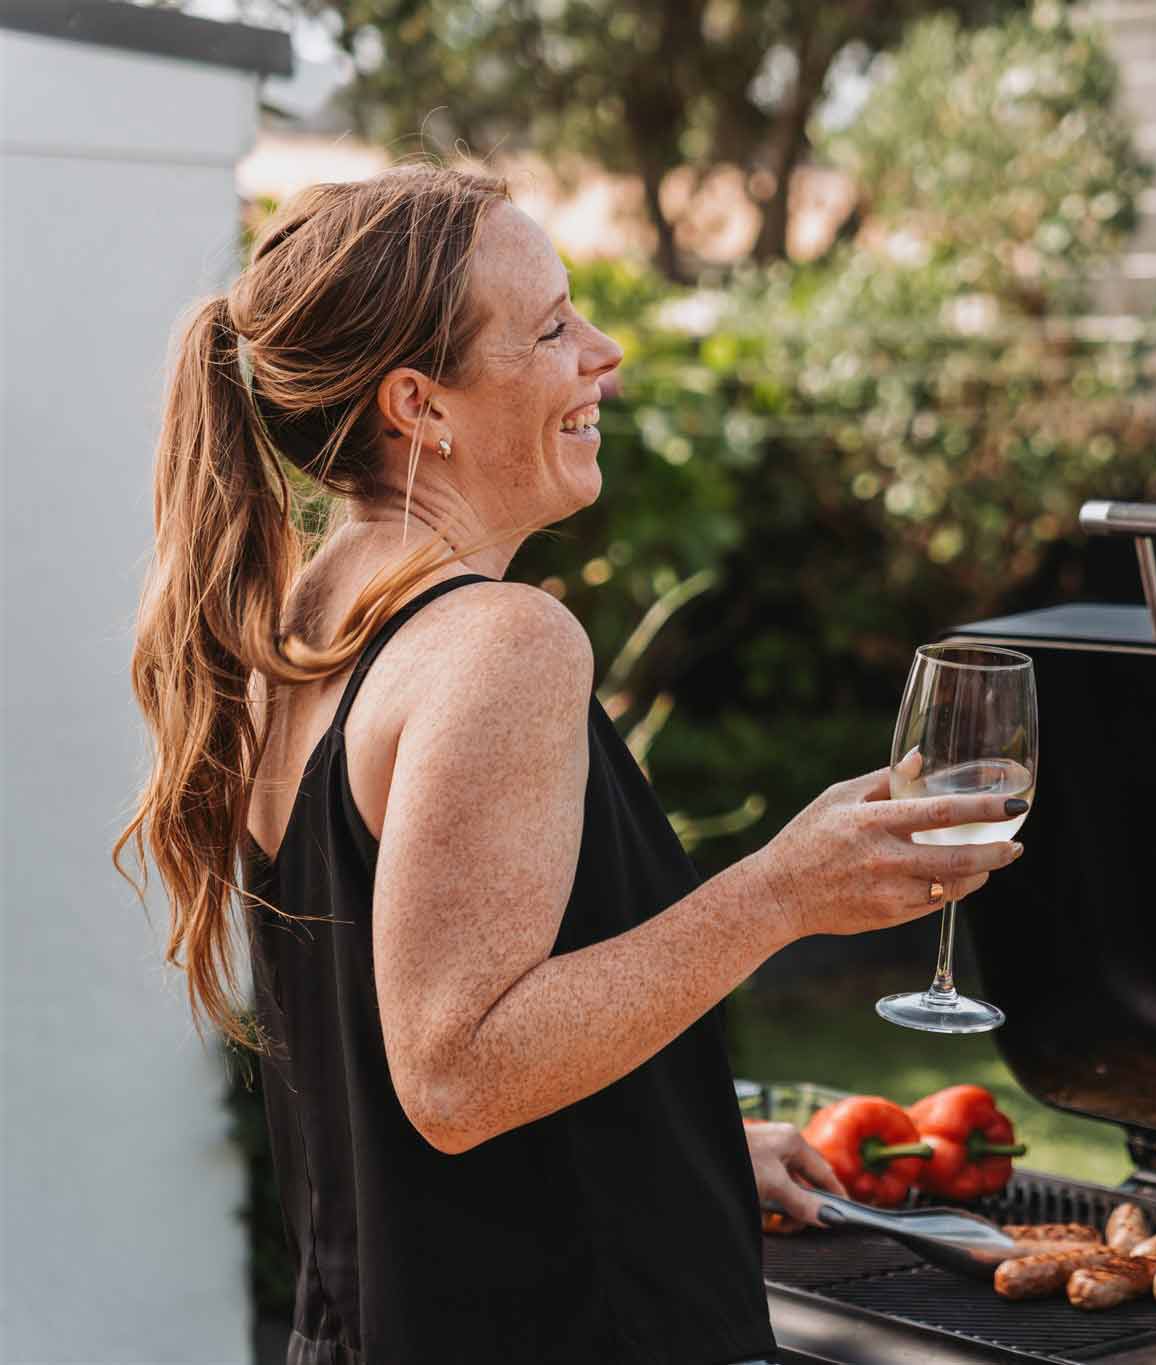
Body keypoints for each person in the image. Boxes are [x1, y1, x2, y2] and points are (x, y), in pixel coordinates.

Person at [114, 163, 1026, 1364]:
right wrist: (779, 893)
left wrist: (685, 1137)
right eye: (549, 328)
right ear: (418, 406)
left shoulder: (297, 627)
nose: (603, 353)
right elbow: (454, 1075)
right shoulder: (502, 643)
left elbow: (400, 1055)